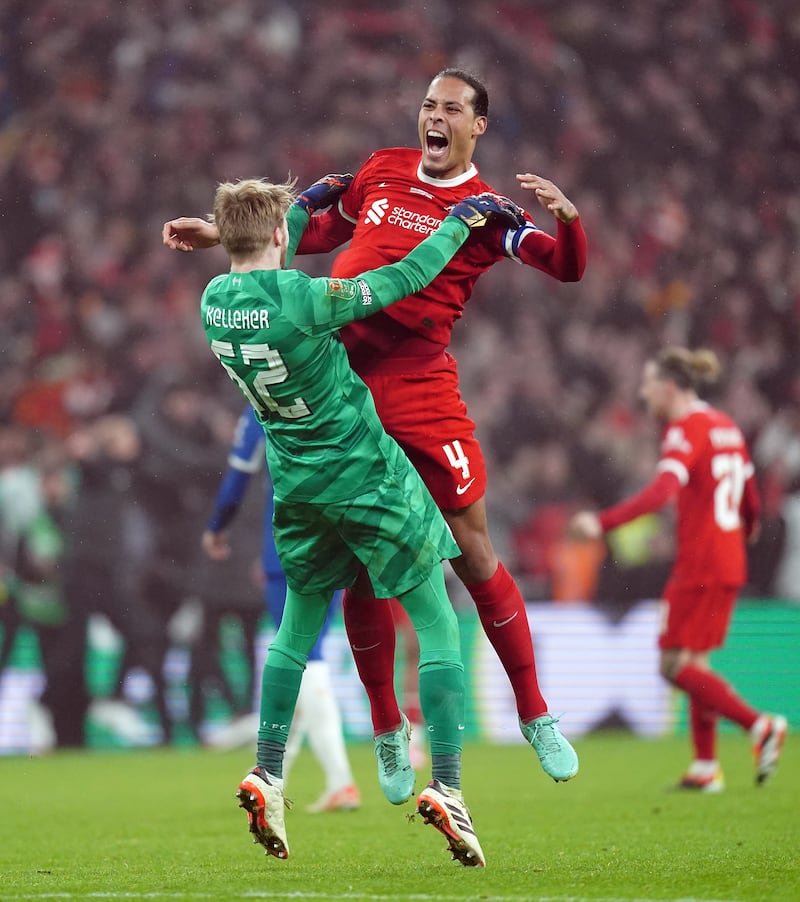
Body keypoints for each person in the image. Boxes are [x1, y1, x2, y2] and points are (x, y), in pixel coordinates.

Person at [163, 67, 585, 792]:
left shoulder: (489, 210)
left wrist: (570, 222)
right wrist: (225, 238)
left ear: (477, 125)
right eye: (428, 104)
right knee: (358, 566)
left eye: (452, 107)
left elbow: (564, 268)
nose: (435, 115)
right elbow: (311, 230)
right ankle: (389, 730)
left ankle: (535, 712)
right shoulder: (382, 171)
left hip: (422, 387)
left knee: (473, 549)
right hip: (349, 389)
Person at [193, 175, 526, 864]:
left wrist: (250, 223)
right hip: (366, 475)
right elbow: (404, 277)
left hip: (297, 487)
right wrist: (459, 222)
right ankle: (450, 786)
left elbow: (255, 257)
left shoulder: (212, 304)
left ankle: (268, 769)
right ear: (283, 236)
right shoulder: (307, 299)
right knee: (436, 621)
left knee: (293, 630)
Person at [569, 347, 788, 791]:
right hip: (728, 562)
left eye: (648, 385)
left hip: (701, 565)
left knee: (671, 666)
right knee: (696, 664)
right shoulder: (726, 425)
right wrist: (745, 528)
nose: (643, 393)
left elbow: (662, 491)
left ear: (669, 387)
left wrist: (602, 521)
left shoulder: (685, 429)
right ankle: (706, 767)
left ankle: (758, 724)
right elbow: (751, 503)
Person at [202, 403, 360, 813]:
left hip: (287, 545)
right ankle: (282, 771)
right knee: (311, 654)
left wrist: (218, 525)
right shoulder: (331, 388)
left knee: (302, 656)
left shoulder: (259, 404)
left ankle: (338, 780)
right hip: (338, 536)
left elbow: (238, 474)